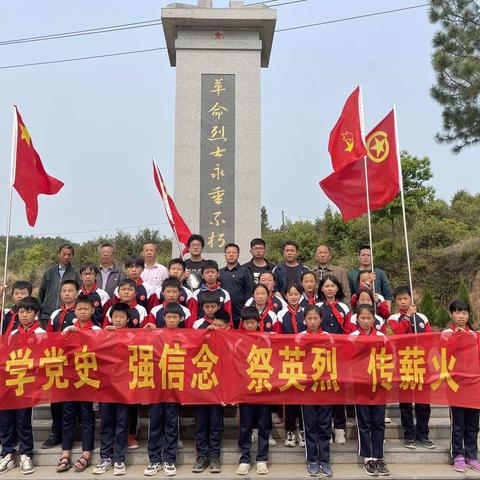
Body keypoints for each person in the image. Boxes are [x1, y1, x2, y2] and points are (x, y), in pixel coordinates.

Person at [0, 296, 45, 475]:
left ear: (35, 314)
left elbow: (45, 357)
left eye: (28, 311)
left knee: (24, 420)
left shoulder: (41, 333)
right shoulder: (12, 334)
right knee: (5, 419)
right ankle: (8, 453)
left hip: (29, 384)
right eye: (21, 311)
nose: (24, 315)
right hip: (11, 383)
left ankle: (26, 454)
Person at [387, 286, 435, 450]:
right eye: (400, 299)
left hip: (421, 364)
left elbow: (429, 338)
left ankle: (423, 434)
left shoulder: (422, 317)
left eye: (406, 298)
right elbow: (396, 335)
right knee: (406, 403)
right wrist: (407, 317)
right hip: (404, 364)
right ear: (396, 301)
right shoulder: (393, 318)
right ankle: (409, 435)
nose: (403, 301)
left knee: (423, 403)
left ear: (411, 299)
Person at [56, 295, 100, 473]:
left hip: (88, 380)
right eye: (79, 309)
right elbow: (58, 350)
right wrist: (67, 337)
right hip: (70, 380)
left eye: (86, 309)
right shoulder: (68, 329)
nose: (82, 311)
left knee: (87, 417)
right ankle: (65, 453)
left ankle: (86, 453)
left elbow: (102, 353)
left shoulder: (97, 329)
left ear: (92, 311)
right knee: (68, 417)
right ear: (74, 310)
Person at [143, 302, 184, 477]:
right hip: (156, 387)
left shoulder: (186, 335)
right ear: (163, 318)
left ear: (181, 319)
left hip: (175, 387)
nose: (172, 320)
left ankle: (169, 459)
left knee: (171, 424)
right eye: (169, 317)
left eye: (175, 317)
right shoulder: (155, 334)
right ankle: (154, 459)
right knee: (155, 425)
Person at [350, 304, 390, 477]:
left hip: (379, 385)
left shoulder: (382, 336)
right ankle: (368, 458)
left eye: (369, 318)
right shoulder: (352, 337)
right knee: (364, 422)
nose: (366, 321)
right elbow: (348, 359)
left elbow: (389, 357)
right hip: (361, 386)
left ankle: (378, 456)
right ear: (357, 319)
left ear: (374, 319)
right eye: (362, 318)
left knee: (379, 422)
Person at [92, 303, 132, 476]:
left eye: (121, 317)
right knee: (106, 423)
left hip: (124, 388)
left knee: (122, 424)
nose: (118, 320)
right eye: (115, 316)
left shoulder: (133, 335)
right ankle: (105, 458)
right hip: (106, 387)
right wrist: (106, 336)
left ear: (127, 319)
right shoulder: (103, 334)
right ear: (110, 318)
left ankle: (120, 459)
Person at [444, 300, 480, 473]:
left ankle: (471, 455)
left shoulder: (475, 334)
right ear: (451, 314)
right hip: (456, 386)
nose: (461, 316)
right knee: (458, 423)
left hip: (473, 387)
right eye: (457, 312)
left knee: (473, 423)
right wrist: (455, 338)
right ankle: (457, 454)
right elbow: (441, 353)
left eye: (464, 313)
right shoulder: (446, 333)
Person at [316, 274, 353, 445]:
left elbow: (347, 331)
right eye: (326, 286)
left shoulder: (344, 308)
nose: (329, 289)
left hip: (339, 356)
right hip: (321, 356)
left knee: (338, 392)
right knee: (323, 393)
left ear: (337, 288)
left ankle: (339, 428)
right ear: (321, 289)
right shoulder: (316, 307)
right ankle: (324, 428)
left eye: (332, 286)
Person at [43, 279, 79, 450]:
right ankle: (55, 433)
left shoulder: (81, 312)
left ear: (77, 293)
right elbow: (48, 337)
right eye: (64, 290)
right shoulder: (55, 314)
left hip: (75, 363)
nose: (67, 293)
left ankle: (69, 434)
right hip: (57, 362)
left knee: (72, 401)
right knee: (55, 400)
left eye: (70, 290)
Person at [191, 307, 227, 474]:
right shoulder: (202, 336)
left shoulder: (230, 341)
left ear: (227, 327)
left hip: (218, 390)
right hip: (200, 388)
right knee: (200, 424)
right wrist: (205, 334)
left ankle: (214, 455)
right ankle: (201, 455)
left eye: (220, 325)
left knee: (214, 425)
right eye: (215, 324)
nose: (216, 328)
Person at [236, 306, 272, 475]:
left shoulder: (266, 339)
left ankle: (262, 458)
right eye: (247, 323)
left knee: (264, 425)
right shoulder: (238, 340)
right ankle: (244, 458)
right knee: (245, 425)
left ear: (259, 323)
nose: (250, 326)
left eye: (253, 323)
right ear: (242, 324)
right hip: (245, 390)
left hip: (263, 388)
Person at [299, 305, 333, 478]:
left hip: (325, 388)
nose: (312, 321)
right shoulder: (298, 338)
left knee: (325, 426)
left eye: (315, 318)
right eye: (309, 318)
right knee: (310, 425)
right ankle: (312, 460)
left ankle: (324, 460)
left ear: (321, 320)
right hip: (306, 390)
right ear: (304, 320)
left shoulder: (329, 337)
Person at [274, 282, 306, 448]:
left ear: (301, 295)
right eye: (290, 294)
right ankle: (290, 431)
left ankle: (302, 431)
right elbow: (278, 338)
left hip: (305, 360)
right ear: (285, 296)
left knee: (303, 396)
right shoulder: (281, 314)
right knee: (290, 397)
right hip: (288, 360)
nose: (293, 297)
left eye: (296, 294)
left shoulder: (307, 311)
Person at [38, 243, 80, 327]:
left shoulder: (75, 273)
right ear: (59, 254)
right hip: (46, 315)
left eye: (69, 255)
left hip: (67, 315)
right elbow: (41, 293)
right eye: (64, 254)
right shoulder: (49, 272)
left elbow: (78, 293)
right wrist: (39, 313)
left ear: (72, 256)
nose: (66, 257)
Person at [220, 243, 254, 328]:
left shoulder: (245, 270)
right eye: (228, 253)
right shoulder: (220, 272)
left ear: (238, 254)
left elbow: (249, 291)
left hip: (240, 313)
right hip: (224, 314)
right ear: (225, 255)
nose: (231, 255)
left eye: (234, 253)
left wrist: (246, 309)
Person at [347, 245, 392, 309]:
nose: (366, 257)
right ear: (358, 257)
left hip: (379, 309)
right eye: (363, 255)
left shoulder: (380, 273)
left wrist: (387, 312)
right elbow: (349, 295)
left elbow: (387, 294)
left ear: (372, 257)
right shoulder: (352, 274)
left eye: (368, 255)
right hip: (359, 310)